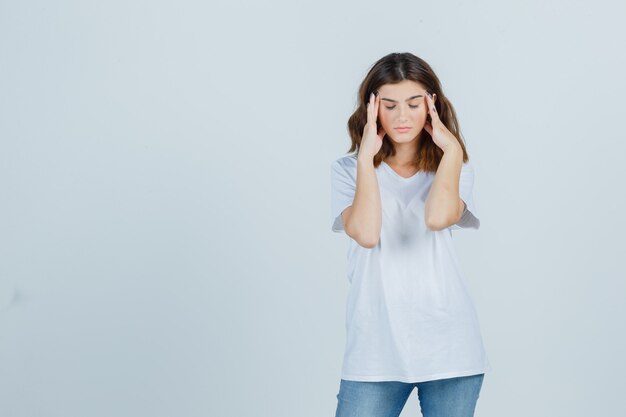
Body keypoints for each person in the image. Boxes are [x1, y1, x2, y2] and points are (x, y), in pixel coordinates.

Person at [330, 52, 492, 417]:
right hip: (374, 351)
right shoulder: (347, 171)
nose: (402, 116)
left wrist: (451, 150)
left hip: (450, 350)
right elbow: (367, 233)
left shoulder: (455, 169)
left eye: (414, 103)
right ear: (372, 108)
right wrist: (365, 159)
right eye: (389, 105)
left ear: (432, 105)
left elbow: (437, 217)